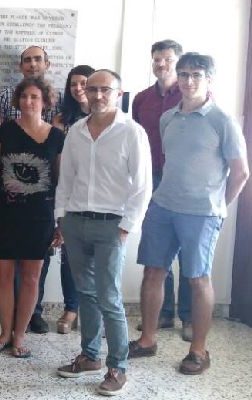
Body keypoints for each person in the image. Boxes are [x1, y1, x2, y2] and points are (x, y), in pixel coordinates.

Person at [130, 53, 249, 376]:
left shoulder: (223, 120)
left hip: (202, 213)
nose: (188, 81)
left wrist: (218, 206)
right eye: (183, 74)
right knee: (153, 272)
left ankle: (198, 350)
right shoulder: (168, 117)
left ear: (209, 78)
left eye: (196, 74)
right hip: (164, 206)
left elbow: (240, 173)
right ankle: (147, 339)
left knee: (198, 278)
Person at [54, 69, 153, 396]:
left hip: (112, 225)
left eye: (104, 90)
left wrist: (125, 229)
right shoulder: (76, 132)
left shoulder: (132, 132)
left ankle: (117, 367)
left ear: (119, 93)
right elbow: (65, 179)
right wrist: (61, 218)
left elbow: (142, 188)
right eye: (92, 89)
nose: (97, 95)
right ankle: (91, 356)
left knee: (108, 296)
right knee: (85, 293)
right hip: (76, 221)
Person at [0, 77, 64, 358]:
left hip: (40, 217)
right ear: (18, 100)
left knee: (31, 278)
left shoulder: (56, 137)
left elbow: (61, 181)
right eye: (25, 97)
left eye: (35, 97)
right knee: (3, 276)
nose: (29, 102)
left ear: (45, 101)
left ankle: (19, 336)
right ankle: (4, 332)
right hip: (6, 213)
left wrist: (61, 222)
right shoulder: (4, 131)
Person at [131, 40, 192, 340]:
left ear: (178, 62)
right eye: (157, 59)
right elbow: (135, 142)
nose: (161, 64)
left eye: (167, 59)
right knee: (159, 248)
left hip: (184, 181)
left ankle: (189, 317)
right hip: (152, 180)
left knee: (187, 250)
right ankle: (163, 313)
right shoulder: (141, 100)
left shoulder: (192, 95)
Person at [51, 64, 95, 334]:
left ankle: (93, 310)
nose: (78, 89)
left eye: (84, 83)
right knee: (68, 254)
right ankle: (71, 308)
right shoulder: (61, 120)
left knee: (95, 257)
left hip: (98, 195)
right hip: (67, 193)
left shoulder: (108, 119)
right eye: (73, 84)